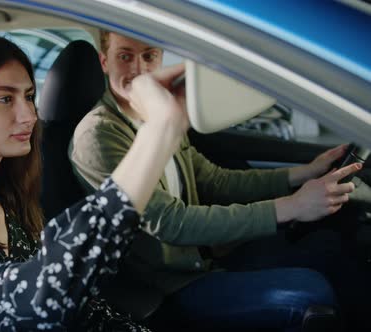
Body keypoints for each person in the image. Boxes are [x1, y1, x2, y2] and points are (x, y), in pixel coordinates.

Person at [0, 32, 190, 331]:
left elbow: (86, 313)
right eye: (4, 99)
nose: (29, 115)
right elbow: (29, 304)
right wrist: (158, 132)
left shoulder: (12, 206)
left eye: (28, 96)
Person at [69, 30, 364, 331]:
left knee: (327, 245)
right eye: (125, 56)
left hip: (206, 258)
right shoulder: (98, 135)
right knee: (312, 290)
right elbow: (169, 222)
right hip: (166, 288)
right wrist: (291, 206)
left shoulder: (154, 112)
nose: (139, 69)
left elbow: (214, 180)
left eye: (149, 55)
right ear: (105, 62)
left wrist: (303, 173)